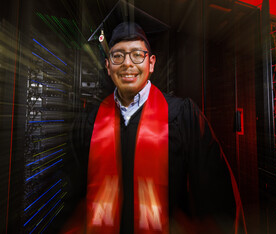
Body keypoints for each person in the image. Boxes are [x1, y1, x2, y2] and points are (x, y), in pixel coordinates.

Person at [68, 22, 240, 234]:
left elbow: (216, 199)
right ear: (108, 66)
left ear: (151, 63)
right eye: (118, 56)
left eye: (137, 55)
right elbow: (73, 200)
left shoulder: (182, 116)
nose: (127, 64)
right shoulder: (89, 123)